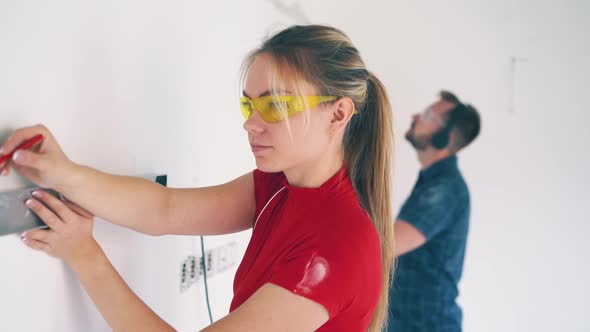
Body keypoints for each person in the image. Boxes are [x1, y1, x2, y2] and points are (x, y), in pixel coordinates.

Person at [0, 25, 394, 332]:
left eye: (276, 105)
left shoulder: (336, 246)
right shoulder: (279, 186)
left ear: (339, 114)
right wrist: (64, 173)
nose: (250, 124)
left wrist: (84, 255)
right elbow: (164, 209)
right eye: (249, 104)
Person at [388, 91, 481, 331]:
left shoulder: (444, 188)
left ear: (445, 137)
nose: (415, 116)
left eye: (428, 115)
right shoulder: (433, 183)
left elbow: (387, 244)